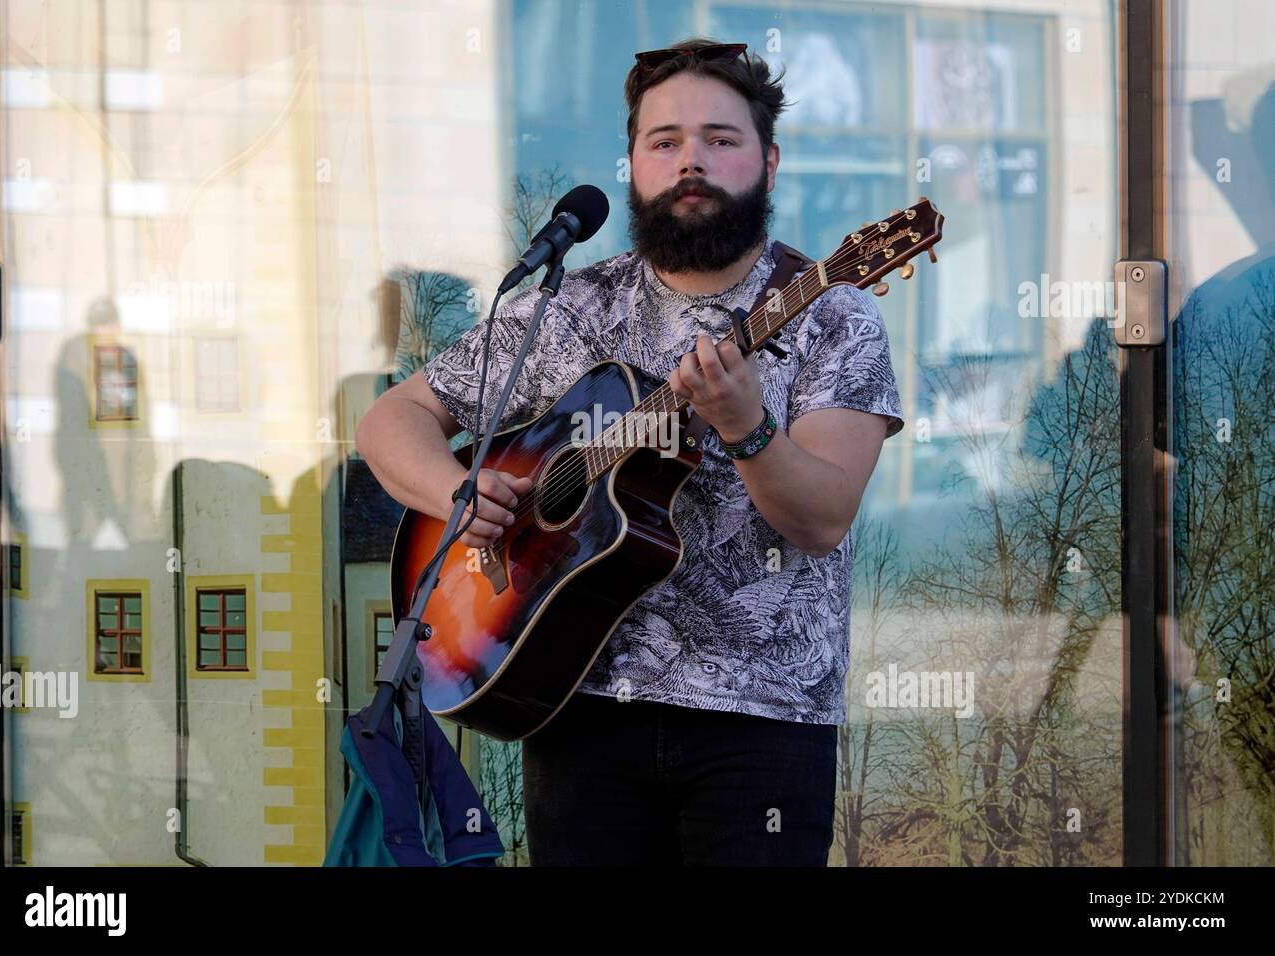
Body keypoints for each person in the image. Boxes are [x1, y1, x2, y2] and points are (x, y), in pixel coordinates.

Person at [355, 37, 904, 866]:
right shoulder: (569, 308)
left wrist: (746, 427)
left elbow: (822, 518)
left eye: (721, 139)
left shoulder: (834, 314)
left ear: (770, 161)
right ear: (634, 163)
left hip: (763, 722)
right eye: (665, 141)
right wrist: (455, 493)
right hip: (575, 703)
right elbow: (391, 420)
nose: (693, 161)